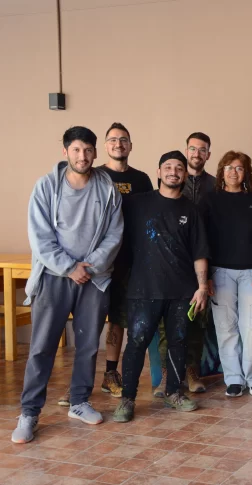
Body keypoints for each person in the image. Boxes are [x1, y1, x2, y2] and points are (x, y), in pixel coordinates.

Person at [12, 126, 123, 443]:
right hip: (54, 277)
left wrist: (92, 266)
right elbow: (40, 237)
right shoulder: (46, 186)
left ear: (95, 153)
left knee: (88, 346)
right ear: (65, 152)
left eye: (88, 150)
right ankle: (30, 413)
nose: (83, 156)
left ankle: (79, 402)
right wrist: (69, 267)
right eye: (76, 149)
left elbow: (114, 234)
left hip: (94, 278)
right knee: (42, 348)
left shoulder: (107, 189)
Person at [55, 122, 153, 406]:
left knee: (118, 321)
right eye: (113, 140)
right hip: (91, 266)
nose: (118, 144)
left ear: (131, 145)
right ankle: (76, 386)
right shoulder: (95, 176)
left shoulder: (143, 179)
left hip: (128, 263)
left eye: (124, 139)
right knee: (88, 327)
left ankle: (111, 375)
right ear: (104, 148)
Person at [113, 150, 209, 423]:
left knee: (178, 343)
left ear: (185, 174)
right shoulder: (135, 204)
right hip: (143, 290)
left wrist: (202, 287)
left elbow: (199, 252)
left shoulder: (192, 210)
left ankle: (174, 393)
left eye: (179, 168)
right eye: (167, 167)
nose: (173, 172)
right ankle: (127, 400)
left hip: (182, 291)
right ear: (158, 172)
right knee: (137, 343)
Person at [204, 151, 252, 397]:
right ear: (221, 171)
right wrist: (205, 277)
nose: (233, 172)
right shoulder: (209, 201)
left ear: (246, 173)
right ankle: (234, 378)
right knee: (226, 327)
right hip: (220, 273)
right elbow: (202, 241)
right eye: (228, 167)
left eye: (239, 168)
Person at [154, 132, 214, 397]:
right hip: (169, 265)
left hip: (202, 264)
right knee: (167, 326)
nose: (196, 154)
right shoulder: (170, 182)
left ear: (208, 155)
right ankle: (166, 375)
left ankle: (192, 372)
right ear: (186, 151)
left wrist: (208, 273)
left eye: (202, 150)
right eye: (192, 149)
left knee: (196, 322)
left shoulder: (216, 185)